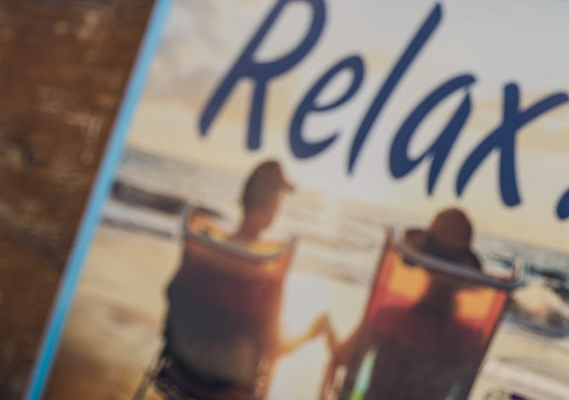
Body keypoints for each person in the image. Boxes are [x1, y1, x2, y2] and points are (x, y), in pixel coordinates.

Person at [152, 160, 325, 400]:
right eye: (279, 203)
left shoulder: (203, 250)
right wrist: (309, 335)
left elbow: (173, 300)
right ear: (272, 206)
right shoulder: (265, 270)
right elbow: (273, 347)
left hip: (177, 379)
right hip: (228, 393)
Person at [327, 208, 503, 400]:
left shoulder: (389, 317)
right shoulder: (468, 340)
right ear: (463, 280)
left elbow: (341, 359)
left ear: (421, 265)